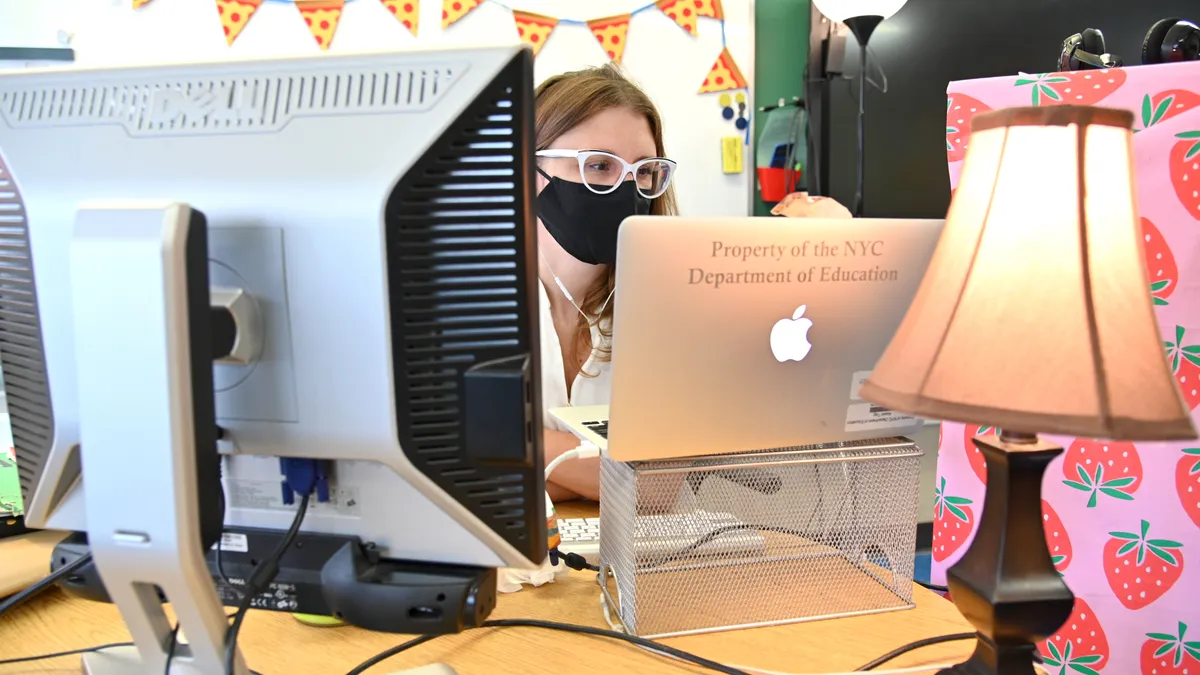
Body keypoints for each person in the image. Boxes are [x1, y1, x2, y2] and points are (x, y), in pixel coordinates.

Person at [533, 65, 678, 502]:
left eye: (644, 170)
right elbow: (448, 467)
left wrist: (514, 450)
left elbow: (655, 486)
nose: (627, 187)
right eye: (599, 165)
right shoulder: (464, 296)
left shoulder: (671, 304)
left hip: (649, 555)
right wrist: (601, 471)